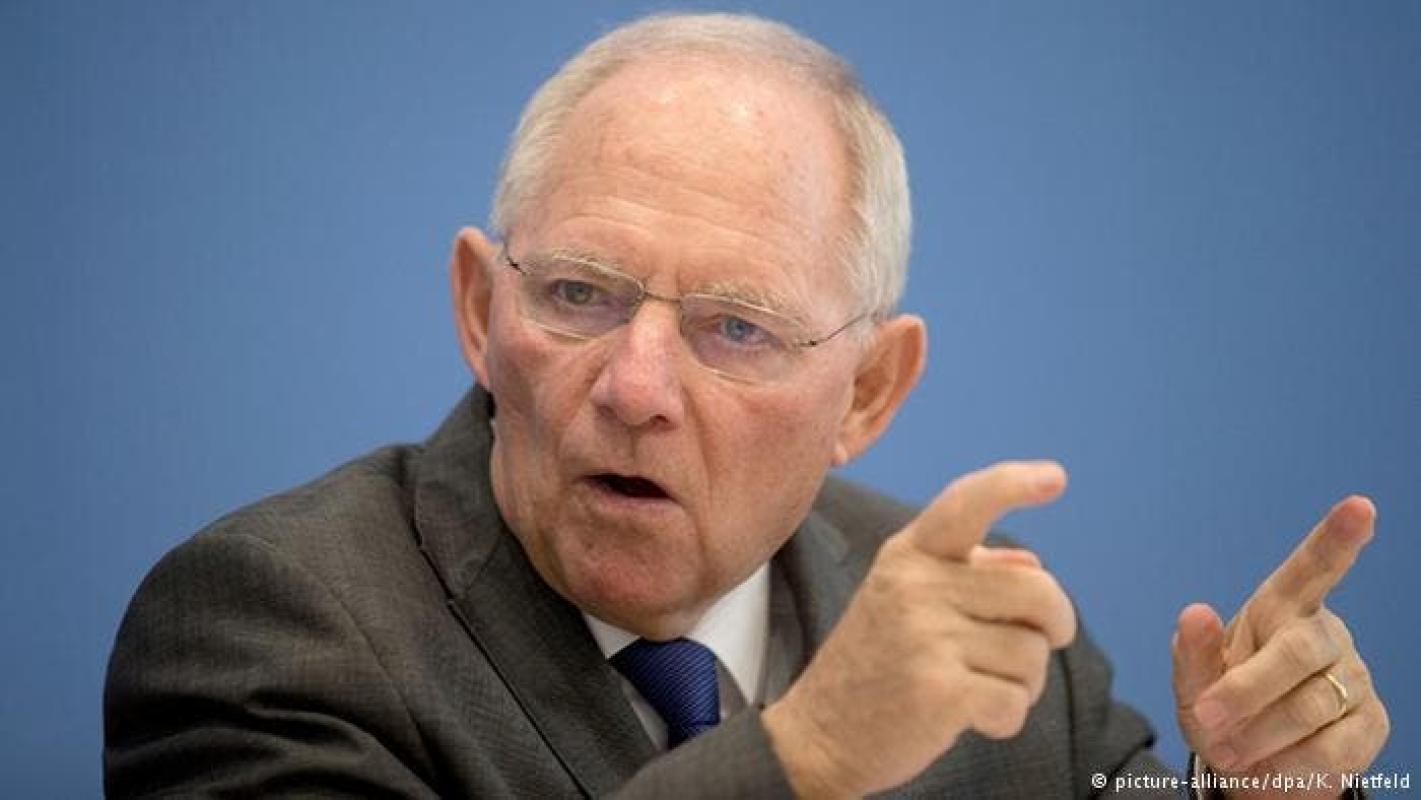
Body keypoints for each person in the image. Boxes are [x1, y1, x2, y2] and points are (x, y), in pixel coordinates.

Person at [104, 12, 1389, 798]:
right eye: (578, 293)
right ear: (479, 307)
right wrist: (804, 758)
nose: (636, 387)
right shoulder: (266, 627)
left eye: (736, 327)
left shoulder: (980, 632)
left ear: (867, 390)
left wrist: (1256, 789)